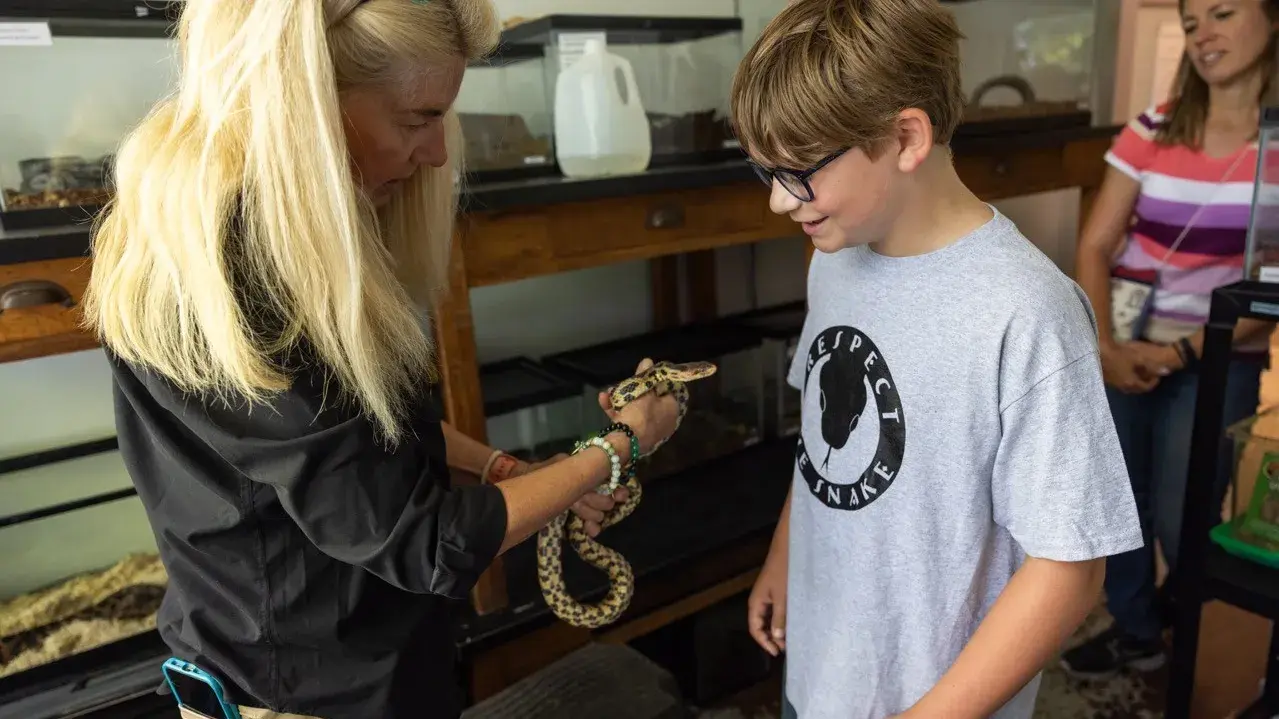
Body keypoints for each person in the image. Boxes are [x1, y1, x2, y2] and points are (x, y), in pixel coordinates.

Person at [81, 1, 680, 718]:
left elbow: (362, 440)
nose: (435, 154)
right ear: (306, 99)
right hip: (309, 694)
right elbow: (425, 542)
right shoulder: (245, 276)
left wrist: (506, 471)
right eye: (418, 119)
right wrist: (618, 447)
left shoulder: (248, 242)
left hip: (328, 665)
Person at [731, 1, 1144, 717]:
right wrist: (782, 555)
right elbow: (821, 453)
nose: (776, 201)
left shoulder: (1029, 311)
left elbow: (1069, 567)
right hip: (822, 666)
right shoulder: (832, 263)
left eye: (797, 173)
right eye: (764, 170)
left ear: (905, 137)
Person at [1061, 0, 1277, 679]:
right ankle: (1135, 628)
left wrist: (1181, 352)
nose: (1202, 36)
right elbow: (1095, 243)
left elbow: (1272, 285)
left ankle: (1179, 616)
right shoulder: (1152, 126)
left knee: (1186, 511)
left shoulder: (1275, 143)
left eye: (1221, 13)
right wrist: (1103, 345)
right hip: (1121, 342)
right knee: (1115, 499)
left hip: (1216, 357)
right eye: (1190, 24)